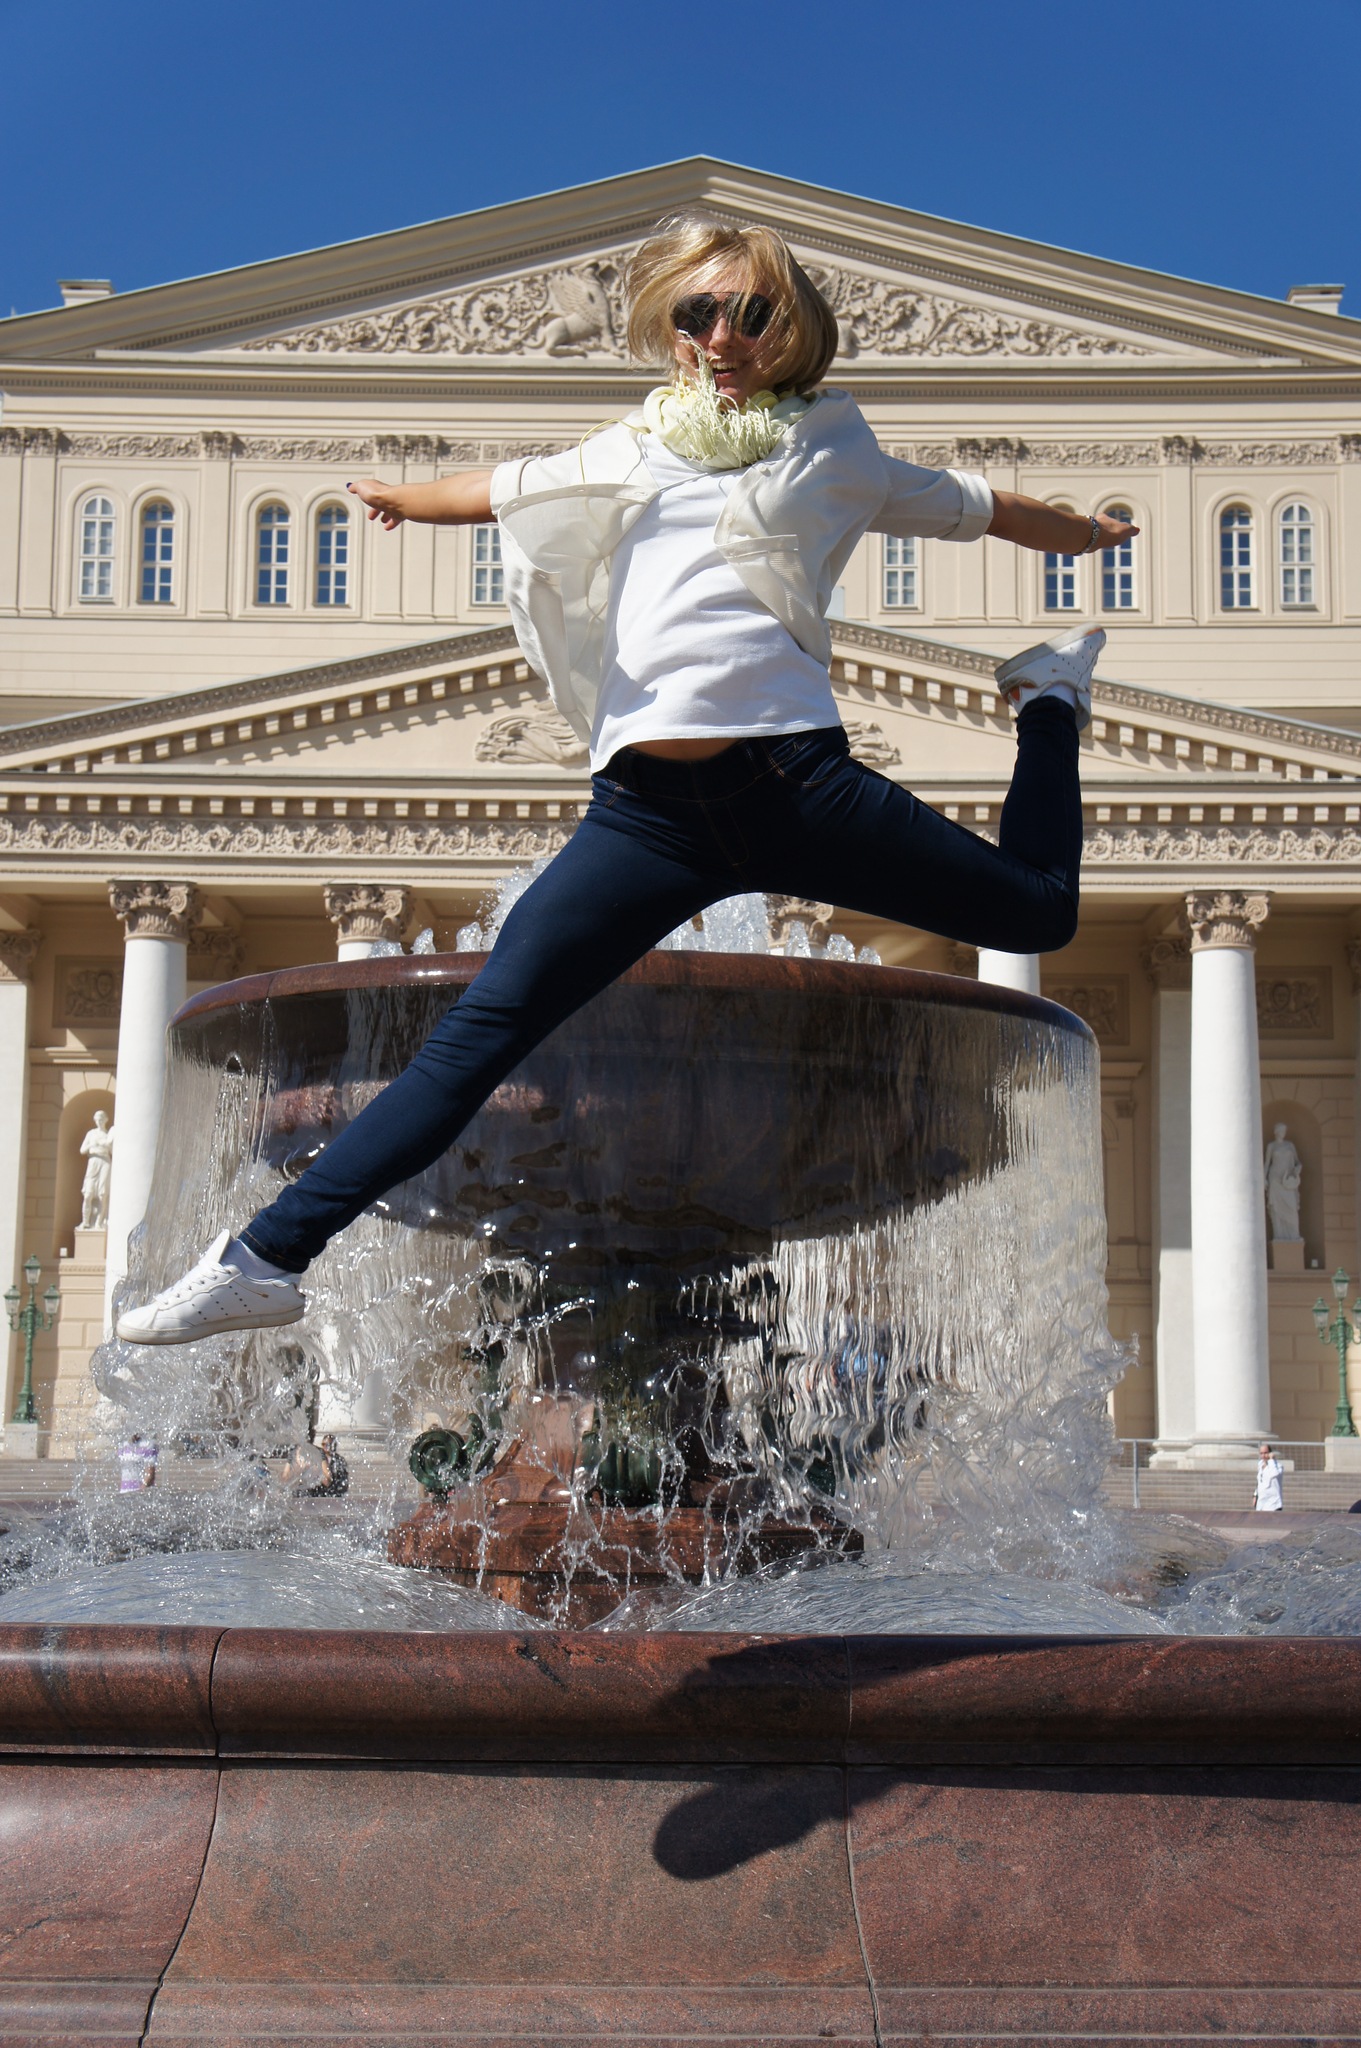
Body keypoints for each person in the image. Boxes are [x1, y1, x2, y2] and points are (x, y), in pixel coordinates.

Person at [117, 213, 1137, 1346]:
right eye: (698, 312)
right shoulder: (633, 446)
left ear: (788, 322)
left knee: (1038, 909)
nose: (721, 334)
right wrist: (405, 498)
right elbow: (505, 486)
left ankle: (1046, 699)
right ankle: (263, 1259)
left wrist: (1078, 534)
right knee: (475, 1037)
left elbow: (979, 506)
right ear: (672, 325)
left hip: (795, 784)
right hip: (645, 818)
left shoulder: (834, 447)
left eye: (748, 311)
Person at [1254, 1441, 1284, 1513]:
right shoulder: (1260, 1465)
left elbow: (1274, 1474)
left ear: (1270, 1453)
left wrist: (1271, 1460)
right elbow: (1260, 1482)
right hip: (1261, 1503)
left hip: (1273, 1504)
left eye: (1265, 1453)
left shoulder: (1278, 1466)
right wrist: (1255, 1495)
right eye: (1261, 1453)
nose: (1263, 1456)